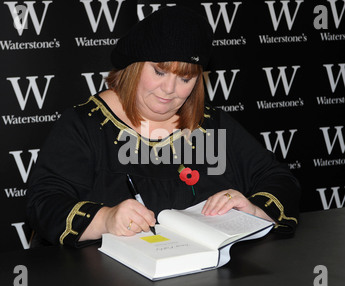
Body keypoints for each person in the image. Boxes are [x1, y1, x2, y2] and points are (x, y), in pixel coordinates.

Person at [26, 6, 300, 247]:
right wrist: (105, 219)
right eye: (159, 72)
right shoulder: (85, 125)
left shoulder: (212, 125)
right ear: (134, 67)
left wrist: (250, 209)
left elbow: (281, 180)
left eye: (185, 78)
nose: (169, 90)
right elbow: (44, 203)